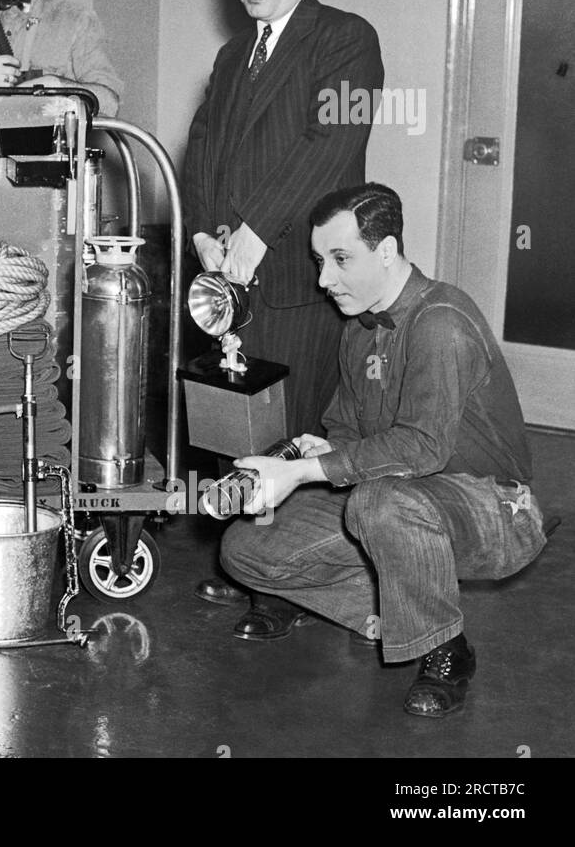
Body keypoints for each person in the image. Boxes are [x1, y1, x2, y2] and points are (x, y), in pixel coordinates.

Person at [219, 183, 547, 717]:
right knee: (243, 547)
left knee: (380, 504)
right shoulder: (360, 326)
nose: (324, 279)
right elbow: (347, 430)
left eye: (340, 259)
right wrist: (316, 451)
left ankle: (445, 649)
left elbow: (421, 449)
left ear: (388, 250)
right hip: (399, 495)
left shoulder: (441, 322)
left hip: (493, 508)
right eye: (320, 260)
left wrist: (307, 472)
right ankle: (385, 608)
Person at [182, 0, 383, 605]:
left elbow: (331, 148)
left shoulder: (350, 40)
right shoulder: (232, 55)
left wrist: (260, 231)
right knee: (236, 426)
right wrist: (206, 233)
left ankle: (287, 589)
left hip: (301, 276)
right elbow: (201, 146)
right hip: (229, 279)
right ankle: (251, 565)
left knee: (297, 432)